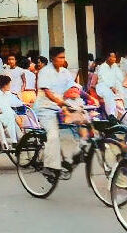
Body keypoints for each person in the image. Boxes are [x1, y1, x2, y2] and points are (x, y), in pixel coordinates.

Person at [34, 47, 80, 175]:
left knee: (80, 126)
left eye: (64, 57)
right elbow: (47, 92)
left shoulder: (65, 72)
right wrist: (59, 101)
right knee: (53, 135)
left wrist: (88, 98)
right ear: (53, 58)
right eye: (60, 57)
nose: (62, 60)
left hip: (60, 108)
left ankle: (71, 157)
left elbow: (74, 87)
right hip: (45, 109)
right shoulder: (45, 72)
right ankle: (48, 167)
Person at [0, 75, 22, 147]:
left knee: (21, 116)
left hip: (7, 112)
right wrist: (13, 114)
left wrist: (23, 103)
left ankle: (20, 137)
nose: (10, 86)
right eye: (9, 84)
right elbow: (1, 107)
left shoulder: (8, 93)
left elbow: (15, 102)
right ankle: (13, 141)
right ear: (4, 85)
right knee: (10, 117)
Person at [95, 52, 123, 119]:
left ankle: (122, 117)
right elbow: (104, 80)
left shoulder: (115, 66)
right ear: (107, 58)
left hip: (113, 88)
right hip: (103, 87)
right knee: (108, 94)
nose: (114, 59)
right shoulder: (102, 67)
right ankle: (111, 116)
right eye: (112, 57)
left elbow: (120, 77)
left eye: (115, 57)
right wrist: (111, 87)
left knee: (123, 92)